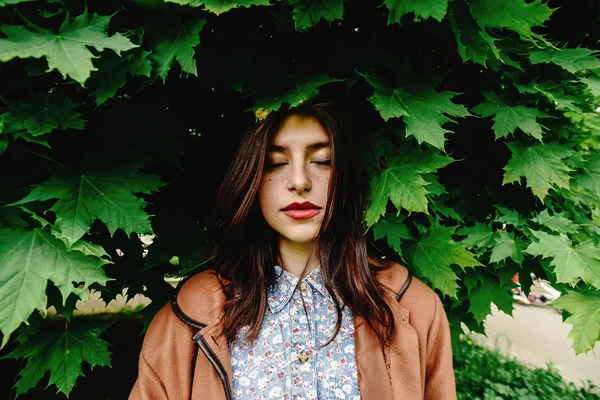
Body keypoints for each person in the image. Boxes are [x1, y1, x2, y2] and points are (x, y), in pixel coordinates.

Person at [129, 101, 456, 399]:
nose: (300, 181)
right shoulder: (188, 318)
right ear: (251, 179)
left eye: (322, 161)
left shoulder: (414, 309)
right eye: (275, 163)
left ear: (346, 178)